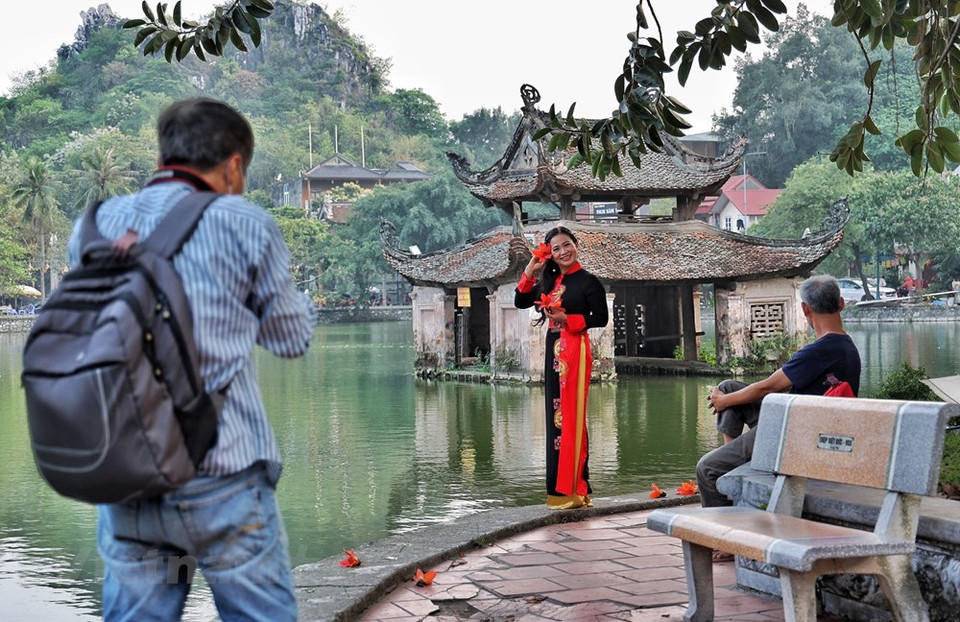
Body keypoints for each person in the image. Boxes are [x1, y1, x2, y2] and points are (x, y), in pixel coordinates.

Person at [67, 98, 313, 620]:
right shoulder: (244, 222)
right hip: (223, 479)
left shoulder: (97, 222)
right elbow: (291, 339)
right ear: (233, 166)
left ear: (164, 157)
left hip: (127, 475)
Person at [698, 275, 860, 559]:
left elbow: (769, 386)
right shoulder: (844, 347)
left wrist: (723, 402)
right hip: (799, 422)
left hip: (792, 435)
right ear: (842, 304)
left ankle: (727, 539)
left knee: (708, 469)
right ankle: (733, 456)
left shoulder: (820, 350)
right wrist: (727, 396)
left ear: (805, 310)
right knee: (729, 386)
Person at [514, 226, 609, 509]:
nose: (563, 252)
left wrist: (567, 318)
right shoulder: (550, 282)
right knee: (555, 418)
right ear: (550, 255)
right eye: (556, 249)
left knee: (572, 416)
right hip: (553, 351)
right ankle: (558, 492)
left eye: (567, 245)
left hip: (575, 349)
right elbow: (520, 301)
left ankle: (577, 489)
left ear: (576, 245)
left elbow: (600, 318)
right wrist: (531, 268)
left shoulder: (588, 282)